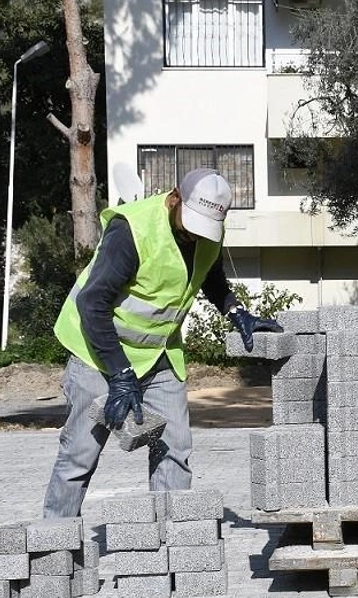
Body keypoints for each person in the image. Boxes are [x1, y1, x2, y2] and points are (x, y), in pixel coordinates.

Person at [43, 169, 283, 518]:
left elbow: (208, 273)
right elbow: (91, 303)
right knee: (80, 454)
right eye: (189, 227)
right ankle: (53, 551)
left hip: (158, 354)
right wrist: (120, 375)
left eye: (203, 232)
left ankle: (172, 549)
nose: (193, 237)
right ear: (175, 198)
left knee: (175, 449)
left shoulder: (207, 227)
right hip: (99, 350)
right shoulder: (132, 230)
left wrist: (235, 310)